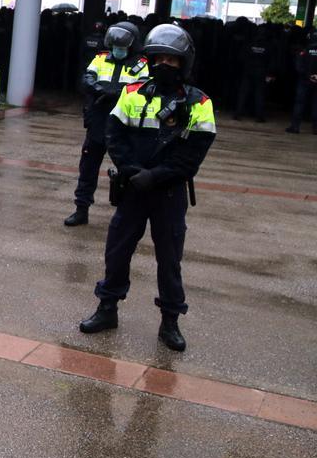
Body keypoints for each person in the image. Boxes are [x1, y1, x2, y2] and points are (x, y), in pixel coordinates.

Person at [79, 24, 217, 352]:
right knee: (116, 252)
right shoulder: (131, 94)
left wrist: (154, 177)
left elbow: (191, 156)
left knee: (169, 260)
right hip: (132, 189)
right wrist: (131, 171)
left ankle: (170, 321)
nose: (165, 65)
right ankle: (107, 308)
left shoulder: (199, 103)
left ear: (184, 63)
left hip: (168, 194)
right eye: (159, 59)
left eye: (172, 60)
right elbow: (114, 134)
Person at [64, 22, 150, 227]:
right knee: (87, 168)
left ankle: (129, 214)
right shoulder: (101, 58)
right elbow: (87, 78)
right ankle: (81, 209)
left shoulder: (142, 63)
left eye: (123, 46)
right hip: (98, 123)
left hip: (125, 127)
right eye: (115, 45)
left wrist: (114, 93)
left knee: (129, 169)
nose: (118, 49)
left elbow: (144, 89)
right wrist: (97, 88)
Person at [233, 26, 276, 122]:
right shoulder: (268, 45)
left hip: (248, 71)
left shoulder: (249, 43)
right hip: (261, 72)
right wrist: (270, 73)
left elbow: (241, 57)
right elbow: (272, 61)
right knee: (259, 94)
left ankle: (238, 113)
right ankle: (259, 116)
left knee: (243, 93)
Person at [286, 30, 317, 134]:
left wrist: (308, 76)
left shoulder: (304, 50)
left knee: (299, 103)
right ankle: (315, 128)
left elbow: (298, 66)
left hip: (304, 80)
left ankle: (295, 127)